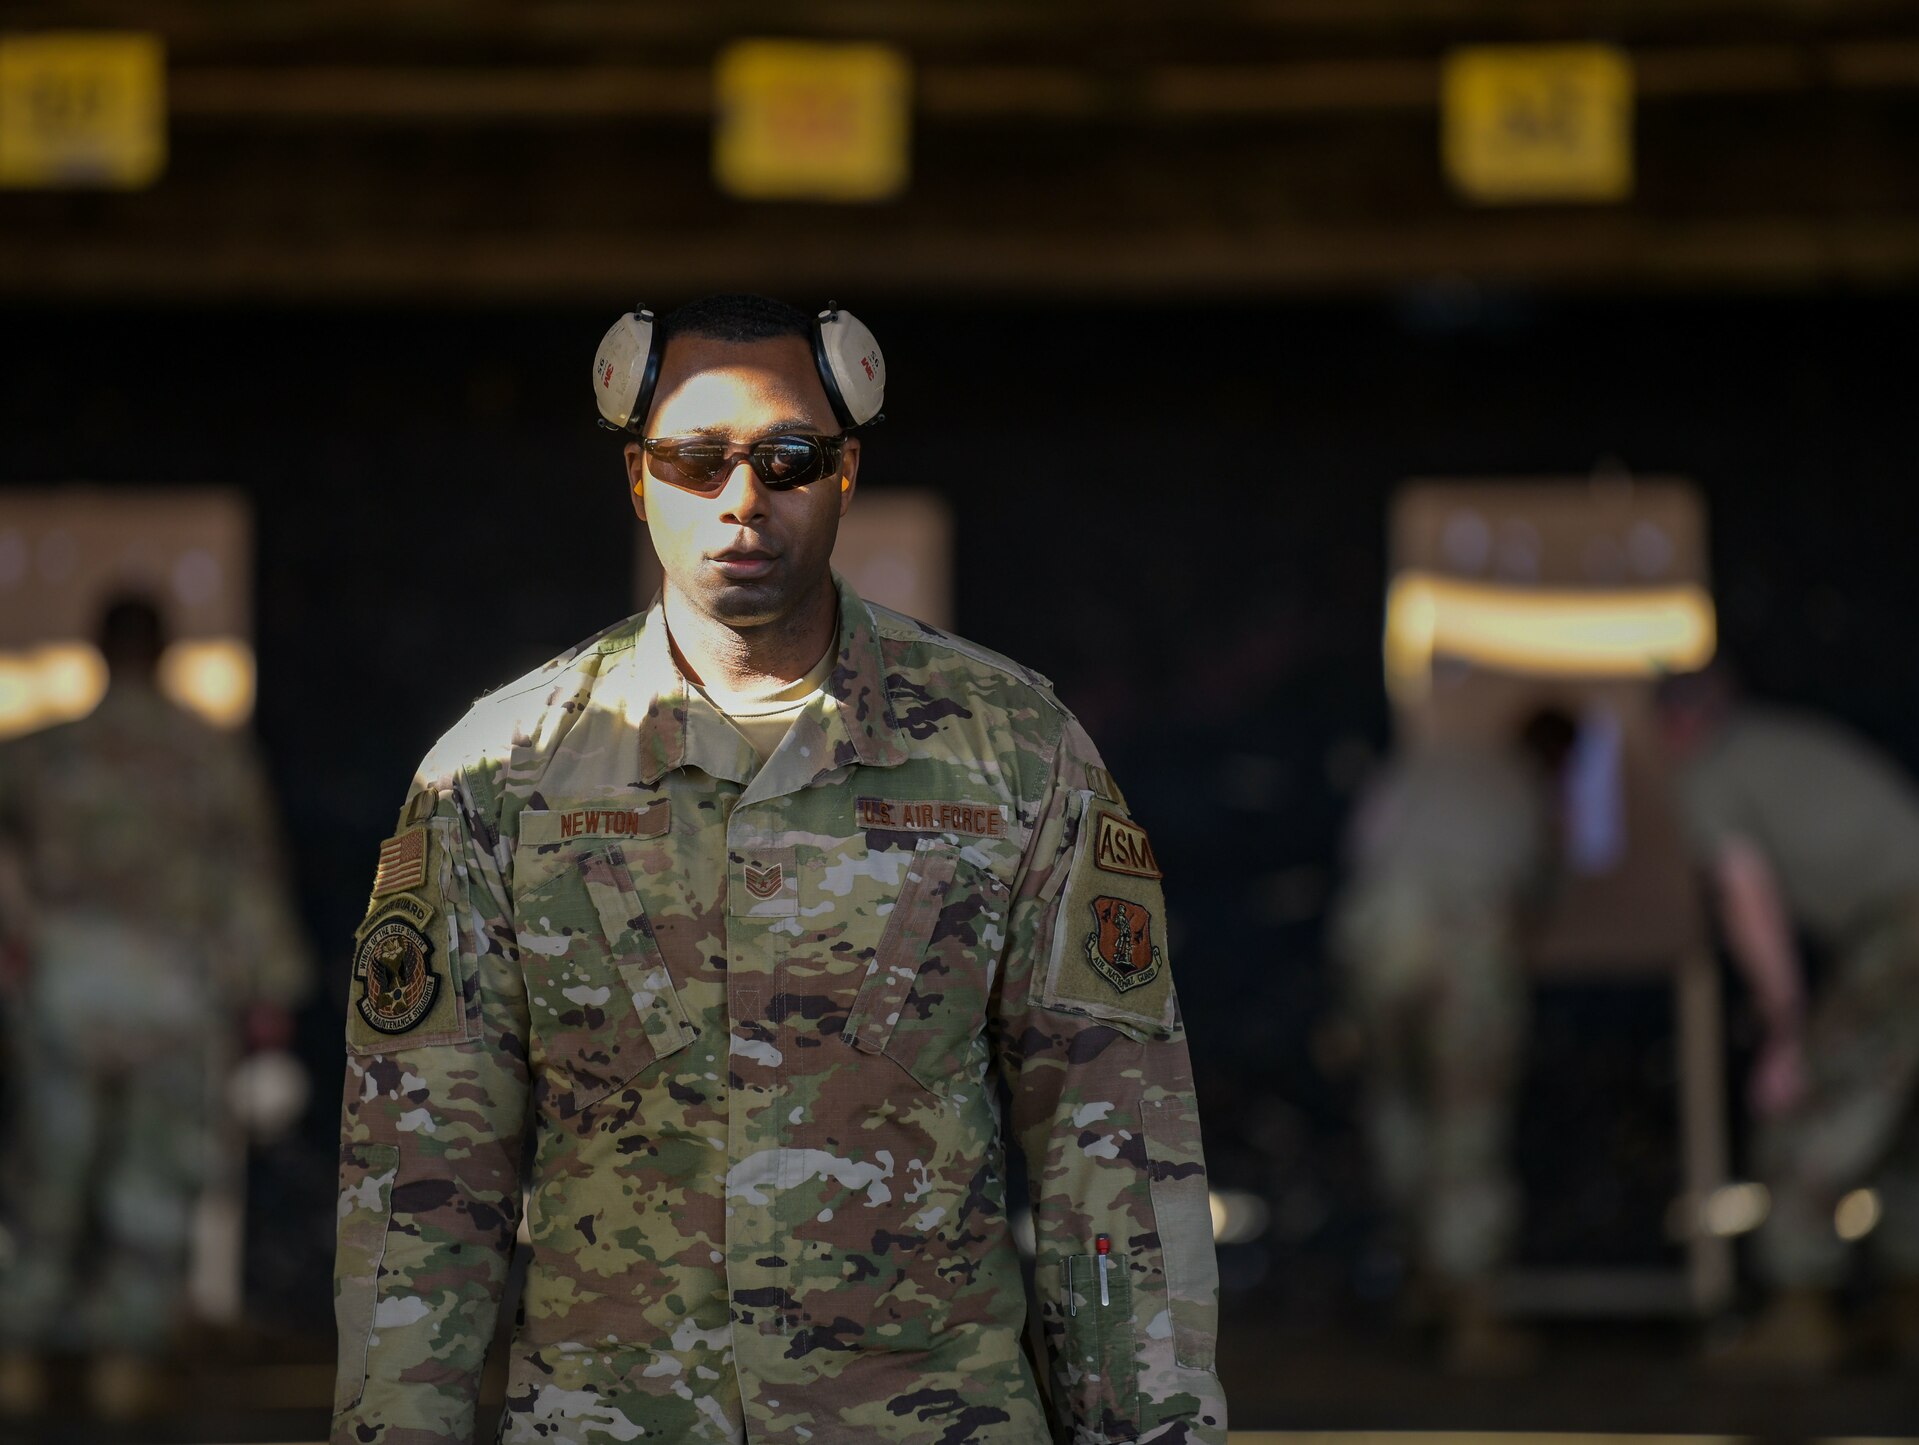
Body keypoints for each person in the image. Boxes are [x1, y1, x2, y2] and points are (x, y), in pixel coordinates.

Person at [331, 295, 1227, 1444]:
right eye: (695, 460)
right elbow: (420, 1184)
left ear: (845, 470)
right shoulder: (499, 774)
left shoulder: (1012, 748)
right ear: (637, 478)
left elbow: (1114, 1152)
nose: (740, 499)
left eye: (786, 458)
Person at [0, 595, 310, 1418]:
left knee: (48, 1169)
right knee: (150, 1178)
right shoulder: (207, 756)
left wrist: (23, 940)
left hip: (62, 987)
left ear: (97, 649)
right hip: (175, 990)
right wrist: (269, 1011)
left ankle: (20, 1350)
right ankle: (121, 1363)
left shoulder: (38, 754)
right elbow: (248, 883)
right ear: (166, 650)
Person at [1657, 663, 1919, 1369]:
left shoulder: (1711, 773)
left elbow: (1747, 899)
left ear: (1677, 724)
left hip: (1906, 928)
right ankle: (1914, 1309)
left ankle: (1800, 1314)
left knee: (1811, 1109)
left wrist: (1785, 1030)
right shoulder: (1793, 739)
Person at [1329, 707, 1575, 1372]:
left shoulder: (1426, 764)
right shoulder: (1525, 787)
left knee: (1399, 1107)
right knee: (1468, 1121)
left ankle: (1424, 1281)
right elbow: (1535, 891)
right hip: (1462, 935)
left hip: (1380, 930)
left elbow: (1362, 847)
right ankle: (1471, 1313)